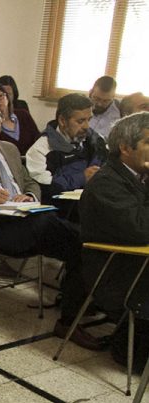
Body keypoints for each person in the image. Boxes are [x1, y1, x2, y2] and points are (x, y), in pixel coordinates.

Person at [0, 95, 101, 349]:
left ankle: (69, 321)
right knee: (52, 223)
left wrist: (30, 196)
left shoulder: (10, 149)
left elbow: (30, 182)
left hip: (26, 220)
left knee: (82, 246)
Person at [80, 112, 149, 366]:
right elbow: (141, 228)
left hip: (136, 263)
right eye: (148, 143)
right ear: (125, 147)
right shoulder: (107, 183)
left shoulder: (139, 178)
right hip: (116, 273)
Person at [26, 93, 108, 202]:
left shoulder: (96, 141)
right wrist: (82, 178)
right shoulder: (40, 149)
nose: (87, 126)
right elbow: (44, 191)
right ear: (62, 121)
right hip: (60, 210)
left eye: (89, 120)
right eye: (80, 121)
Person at [0, 83, 40, 155]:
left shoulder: (23, 115)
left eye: (0, 96)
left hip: (33, 161)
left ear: (7, 97)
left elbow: (38, 139)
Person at [88, 76, 120, 140]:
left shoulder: (119, 113)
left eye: (106, 101)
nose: (100, 104)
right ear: (90, 92)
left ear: (113, 97)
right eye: (97, 99)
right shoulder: (77, 107)